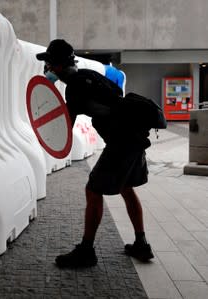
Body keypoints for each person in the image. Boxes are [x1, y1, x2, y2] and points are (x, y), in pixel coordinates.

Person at [36, 39, 154, 268]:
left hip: (121, 143)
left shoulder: (75, 87)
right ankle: (141, 243)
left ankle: (87, 251)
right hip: (135, 137)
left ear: (58, 66)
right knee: (126, 188)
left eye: (49, 65)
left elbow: (63, 128)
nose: (48, 69)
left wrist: (44, 119)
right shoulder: (90, 76)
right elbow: (116, 94)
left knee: (92, 190)